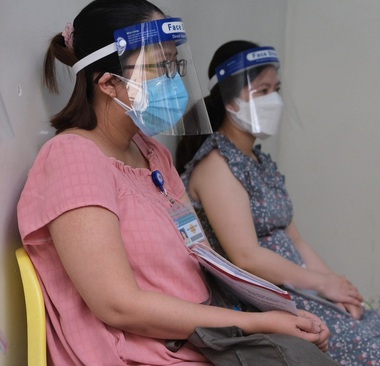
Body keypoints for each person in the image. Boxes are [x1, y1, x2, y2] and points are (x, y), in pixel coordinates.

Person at [16, 2, 334, 365]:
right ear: (108, 83)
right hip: (142, 352)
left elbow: (198, 251)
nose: (174, 81)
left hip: (198, 335)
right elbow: (119, 306)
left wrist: (269, 310)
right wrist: (252, 323)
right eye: (159, 67)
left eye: (174, 65)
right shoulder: (72, 158)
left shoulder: (150, 152)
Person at [175, 40, 380, 365]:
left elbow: (294, 239)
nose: (274, 100)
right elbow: (246, 256)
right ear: (231, 100)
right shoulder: (217, 166)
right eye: (262, 91)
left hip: (299, 289)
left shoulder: (259, 162)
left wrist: (338, 288)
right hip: (263, 300)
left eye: (276, 89)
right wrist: (321, 284)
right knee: (378, 352)